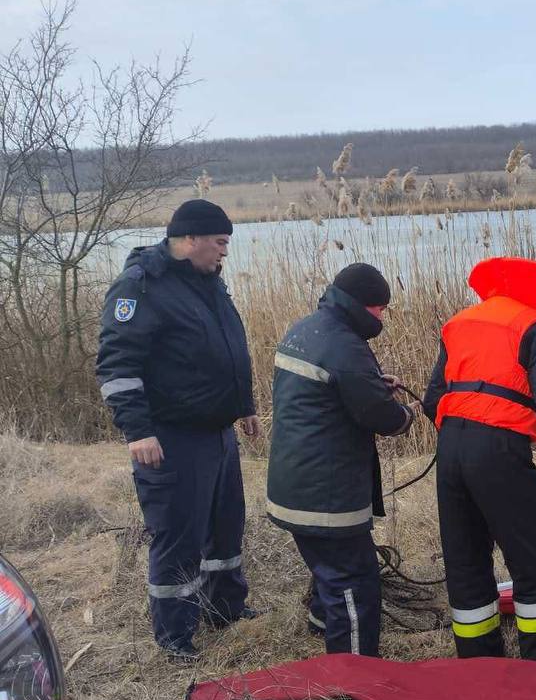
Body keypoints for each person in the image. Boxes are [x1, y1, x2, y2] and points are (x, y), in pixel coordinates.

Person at [96, 199, 259, 662]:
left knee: (225, 526)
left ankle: (225, 608)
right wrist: (137, 430)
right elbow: (117, 366)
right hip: (170, 436)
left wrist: (244, 406)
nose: (225, 252)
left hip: (217, 431)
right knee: (179, 534)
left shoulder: (207, 283)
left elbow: (230, 346)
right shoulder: (141, 287)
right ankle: (175, 634)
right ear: (189, 240)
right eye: (219, 243)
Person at [423, 256, 536, 665]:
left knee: (465, 558)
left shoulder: (459, 323)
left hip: (451, 451)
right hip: (498, 451)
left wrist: (463, 439)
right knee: (534, 557)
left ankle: (480, 665)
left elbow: (431, 401)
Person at [266, 263, 419, 658]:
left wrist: (370, 384)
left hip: (294, 483)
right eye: (380, 309)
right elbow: (380, 417)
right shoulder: (345, 346)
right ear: (361, 305)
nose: (383, 317)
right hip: (325, 495)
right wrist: (406, 415)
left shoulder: (307, 329)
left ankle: (322, 626)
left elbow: (329, 391)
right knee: (355, 580)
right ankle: (353, 676)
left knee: (328, 569)